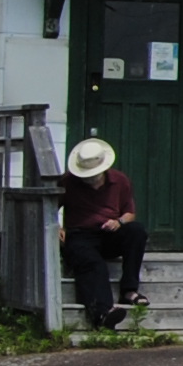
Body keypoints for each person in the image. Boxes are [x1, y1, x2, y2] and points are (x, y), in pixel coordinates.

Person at [61, 137, 148, 330]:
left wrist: (119, 222)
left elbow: (130, 213)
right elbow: (49, 207)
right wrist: (58, 227)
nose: (90, 178)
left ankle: (129, 290)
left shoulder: (120, 181)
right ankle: (102, 312)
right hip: (80, 234)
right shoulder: (68, 182)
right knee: (92, 264)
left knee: (136, 231)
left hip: (109, 233)